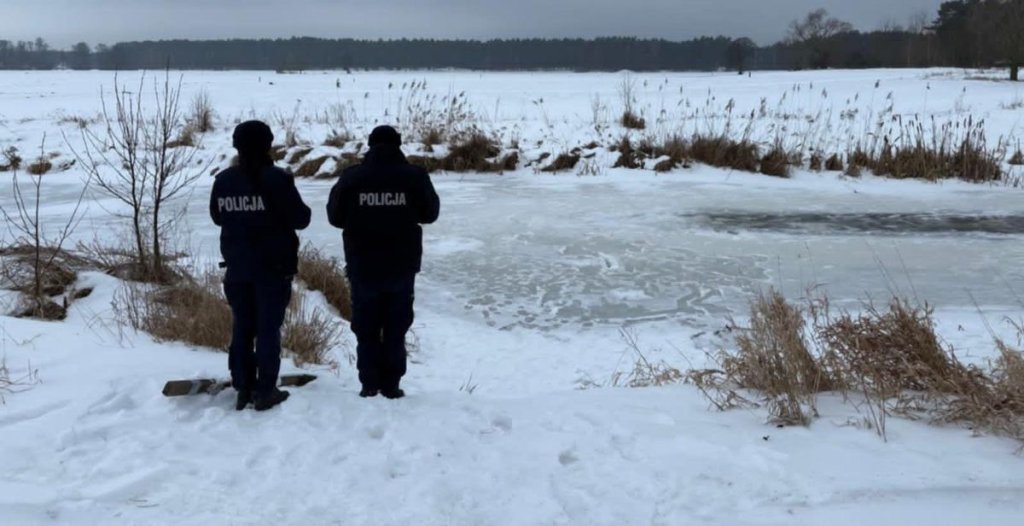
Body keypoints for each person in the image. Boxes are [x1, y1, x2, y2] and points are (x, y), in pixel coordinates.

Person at [327, 125, 440, 399]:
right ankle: (391, 385)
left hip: (362, 263)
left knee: (366, 327)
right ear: (399, 145)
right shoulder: (414, 176)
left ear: (370, 145)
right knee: (396, 327)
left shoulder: (353, 177)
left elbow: (334, 216)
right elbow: (430, 213)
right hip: (402, 265)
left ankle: (368, 383)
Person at [210, 120, 311, 411]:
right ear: (268, 145)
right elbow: (301, 219)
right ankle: (266, 390)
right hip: (273, 268)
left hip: (238, 267)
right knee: (268, 329)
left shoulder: (224, 180)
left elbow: (217, 217)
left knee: (242, 326)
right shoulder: (277, 179)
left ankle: (243, 386)